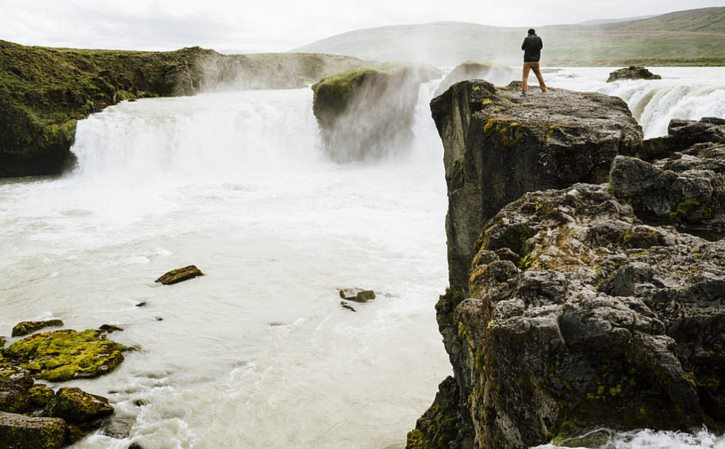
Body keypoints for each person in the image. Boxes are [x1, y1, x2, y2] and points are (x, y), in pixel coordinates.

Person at [521, 28, 547, 95]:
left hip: (527, 61)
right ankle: (544, 89)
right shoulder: (539, 38)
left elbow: (522, 48)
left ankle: (524, 91)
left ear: (528, 33)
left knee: (525, 77)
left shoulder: (527, 39)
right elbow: (541, 47)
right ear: (534, 33)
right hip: (536, 61)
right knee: (539, 75)